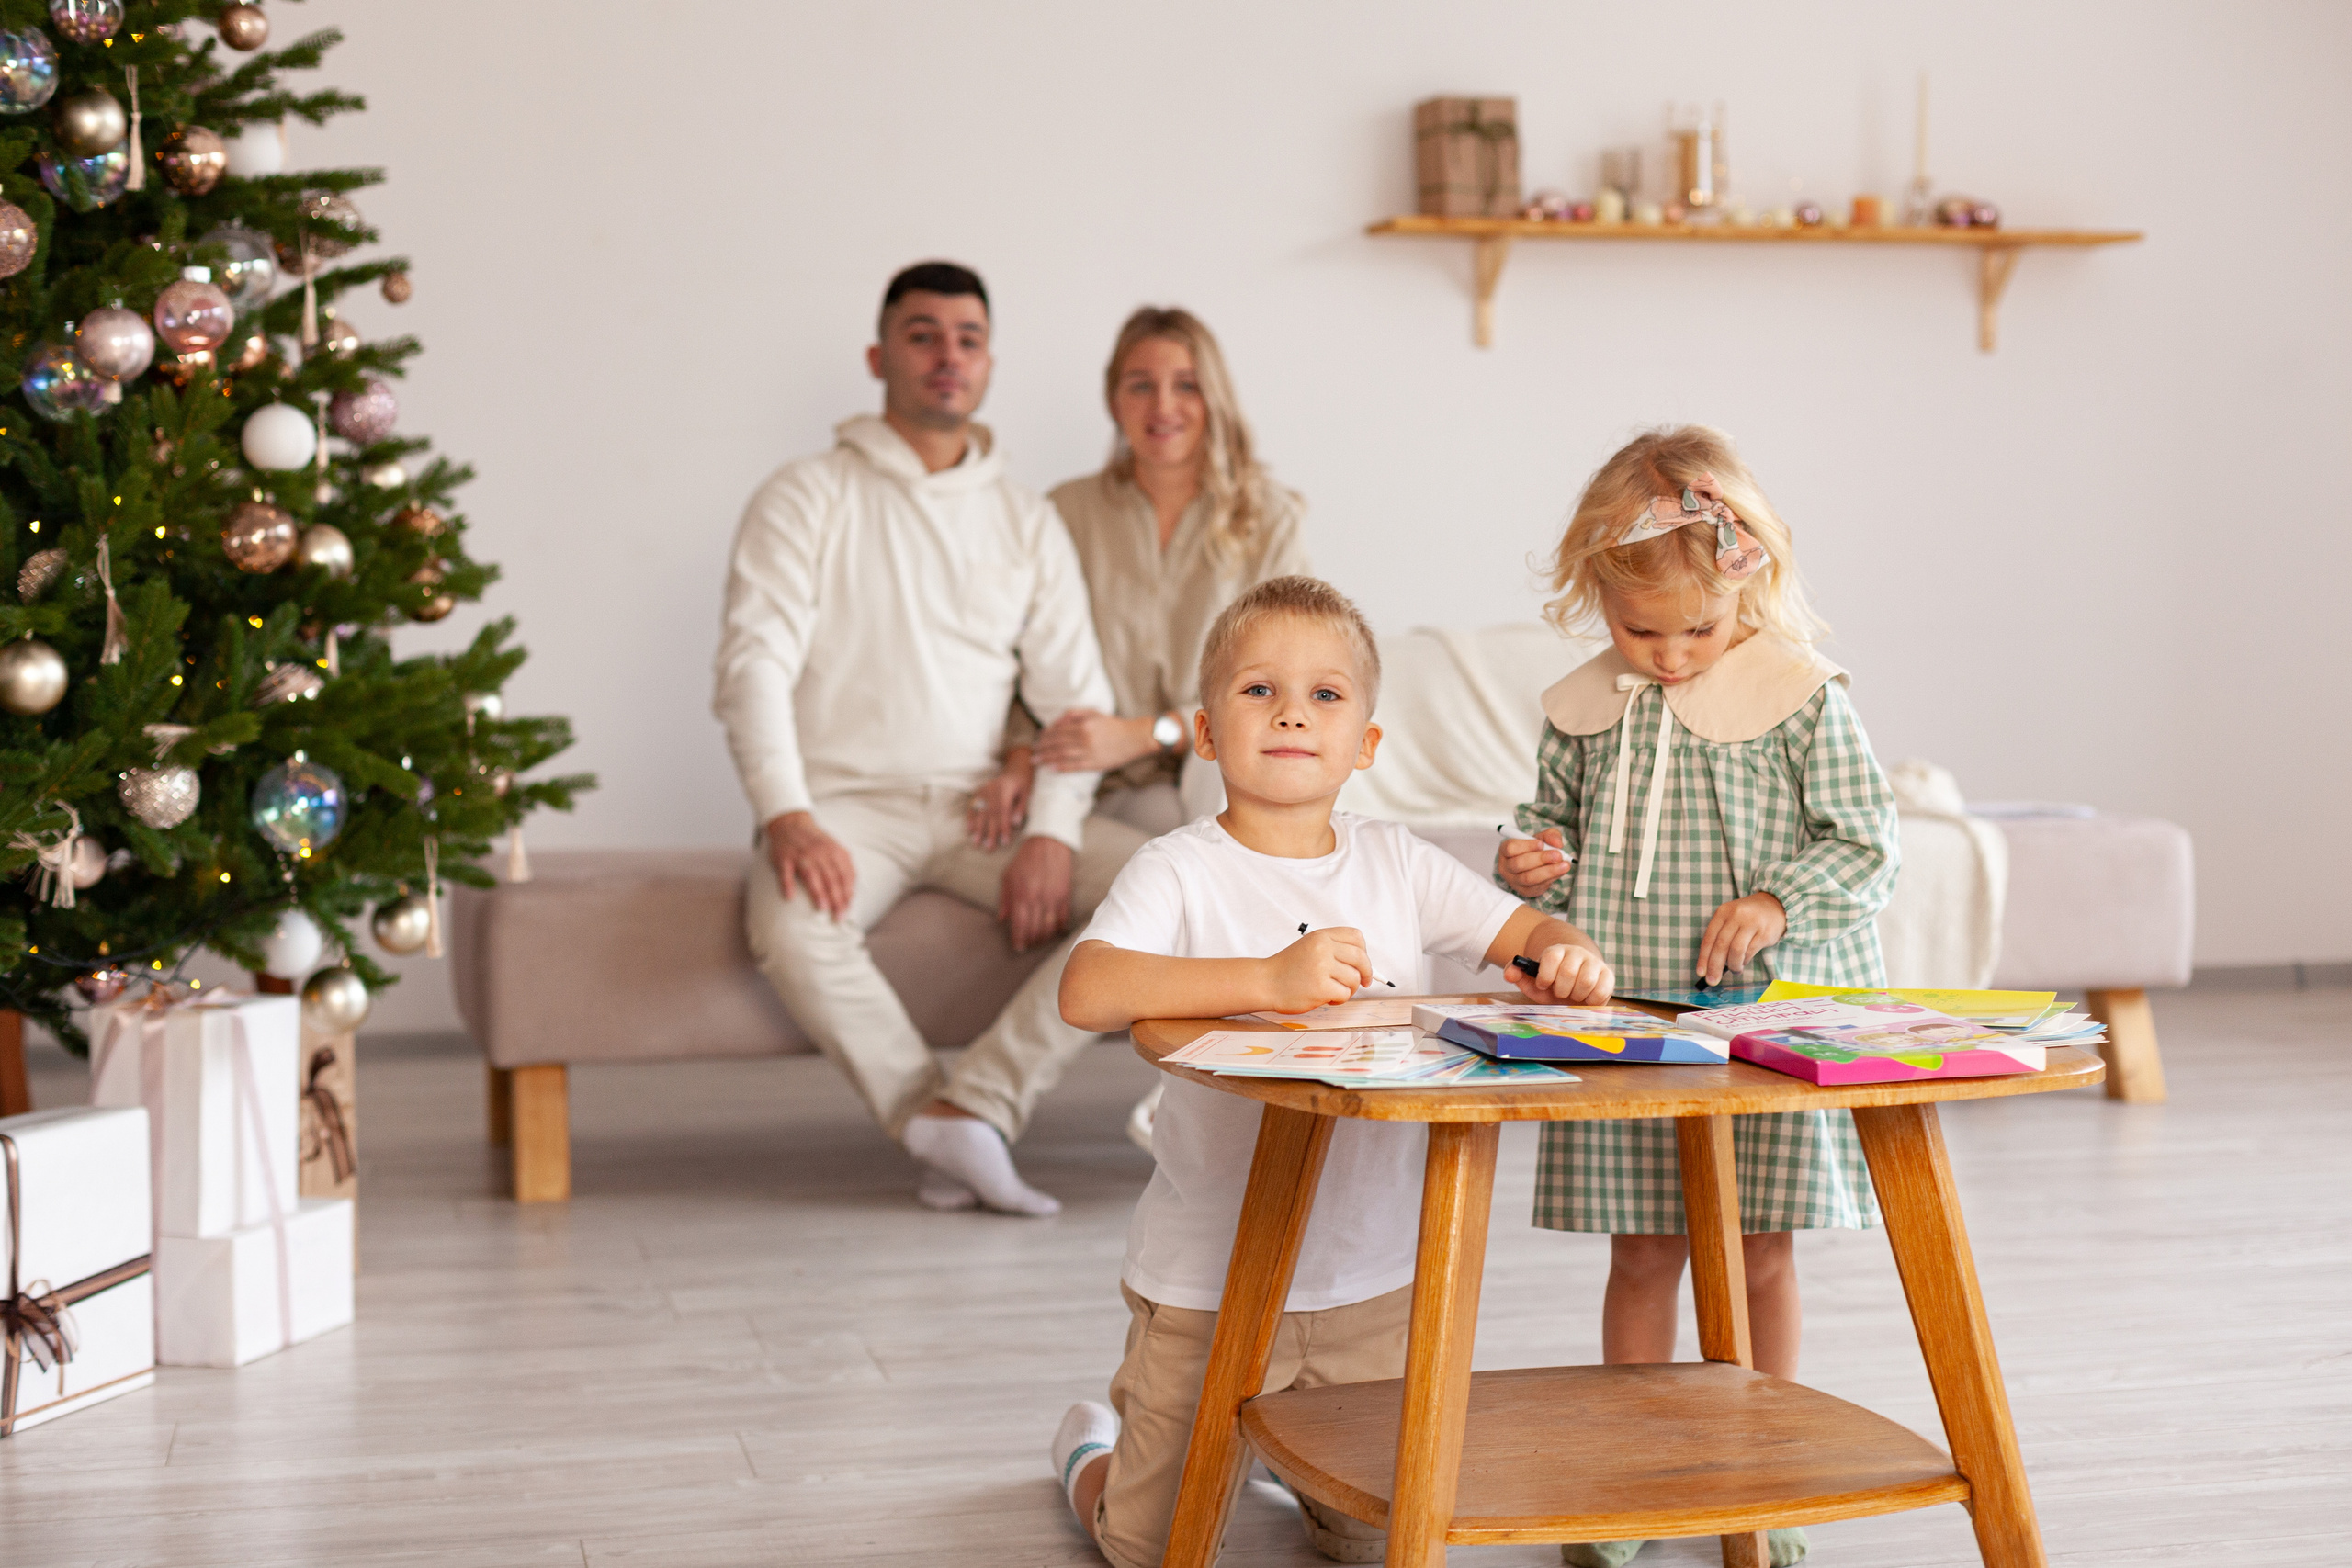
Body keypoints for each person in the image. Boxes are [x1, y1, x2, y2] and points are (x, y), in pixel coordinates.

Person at [1047, 576, 1615, 1568]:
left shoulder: (1397, 860)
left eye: (1325, 695)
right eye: (1259, 691)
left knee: (1368, 1545)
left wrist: (1563, 954)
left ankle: (1276, 1451)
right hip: (1208, 1288)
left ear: (1367, 743)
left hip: (1374, 1292)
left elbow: (1521, 933)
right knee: (1149, 1549)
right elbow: (1086, 988)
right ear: (1208, 732)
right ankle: (1092, 1448)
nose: (1292, 715)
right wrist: (1266, 977)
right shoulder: (1177, 868)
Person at [1496, 425, 1899, 1568]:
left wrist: (1775, 902)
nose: (1669, 656)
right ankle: (1632, 1484)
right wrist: (1526, 858)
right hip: (1632, 1023)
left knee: (1761, 1253)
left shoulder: (1803, 698)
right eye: (1639, 629)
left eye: (1697, 630)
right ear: (1597, 597)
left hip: (1759, 1028)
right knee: (1640, 1253)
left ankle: (1759, 1479)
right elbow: (1547, 826)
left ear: (1749, 585)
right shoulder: (1586, 703)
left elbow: (1867, 845)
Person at [713, 261, 1150, 1217]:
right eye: (922, 335)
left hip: (980, 810)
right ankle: (935, 1118)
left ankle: (980, 1099)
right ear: (880, 357)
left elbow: (1074, 699)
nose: (946, 356)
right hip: (841, 810)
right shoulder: (804, 495)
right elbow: (752, 667)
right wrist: (787, 816)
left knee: (1163, 883)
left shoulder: (1023, 519)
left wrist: (1052, 831)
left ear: (989, 363)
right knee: (787, 925)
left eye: (967, 338)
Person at [970, 306, 1310, 852]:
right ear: (1113, 402)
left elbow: (1284, 685)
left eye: (1187, 386)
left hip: (1217, 777)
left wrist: (1143, 735)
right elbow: (1019, 659)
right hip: (1092, 784)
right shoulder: (1065, 512)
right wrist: (1016, 763)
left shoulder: (1270, 520)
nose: (1164, 407)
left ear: (1214, 399)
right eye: (1140, 386)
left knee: (1225, 766)